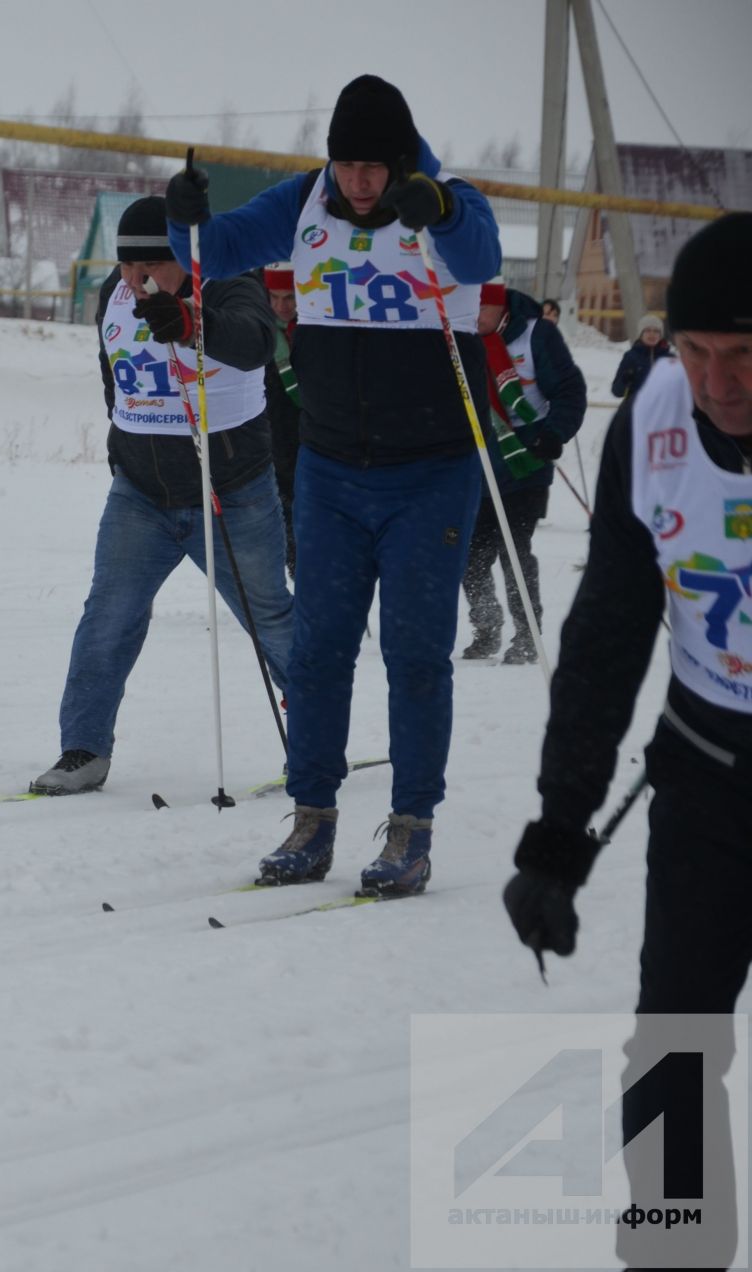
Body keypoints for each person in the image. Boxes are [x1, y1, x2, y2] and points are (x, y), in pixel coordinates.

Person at [165, 73, 502, 896]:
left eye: (371, 167)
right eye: (344, 164)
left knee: (416, 655)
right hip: (331, 467)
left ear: (398, 160)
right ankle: (311, 819)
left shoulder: (446, 198)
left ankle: (411, 831)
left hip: (429, 469)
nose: (355, 181)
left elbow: (481, 257)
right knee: (318, 652)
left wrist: (444, 215)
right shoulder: (305, 200)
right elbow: (213, 254)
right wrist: (184, 214)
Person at [504, 213, 752, 1272]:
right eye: (696, 353)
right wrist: (559, 830)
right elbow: (607, 636)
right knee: (674, 1054)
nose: (717, 384)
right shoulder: (648, 427)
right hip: (707, 773)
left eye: (744, 357)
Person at [29, 197, 293, 795]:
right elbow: (112, 374)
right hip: (141, 494)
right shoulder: (114, 295)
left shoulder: (231, 282)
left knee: (271, 619)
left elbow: (258, 343)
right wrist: (123, 448)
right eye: (125, 267)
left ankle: (317, 738)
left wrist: (195, 323)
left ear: (181, 256)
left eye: (149, 267)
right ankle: (83, 748)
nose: (134, 280)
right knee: (108, 616)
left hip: (229, 492)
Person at [460, 282, 586, 664]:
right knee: (470, 555)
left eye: (482, 309)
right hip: (474, 465)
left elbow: (568, 389)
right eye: (469, 307)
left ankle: (527, 632)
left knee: (514, 550)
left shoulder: (535, 334)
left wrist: (554, 433)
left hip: (525, 461)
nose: (475, 316)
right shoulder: (457, 336)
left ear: (502, 308)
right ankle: (486, 627)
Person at [261, 263, 302, 573]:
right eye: (273, 297)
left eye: (289, 297)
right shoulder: (260, 330)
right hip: (276, 438)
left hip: (320, 435)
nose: (281, 306)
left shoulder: (317, 326)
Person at [610, 312, 674, 400]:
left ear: (661, 335)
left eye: (656, 331)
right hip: (636, 410)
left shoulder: (670, 359)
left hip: (663, 410)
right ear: (641, 334)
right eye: (647, 330)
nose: (652, 334)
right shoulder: (631, 356)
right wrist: (625, 380)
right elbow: (616, 392)